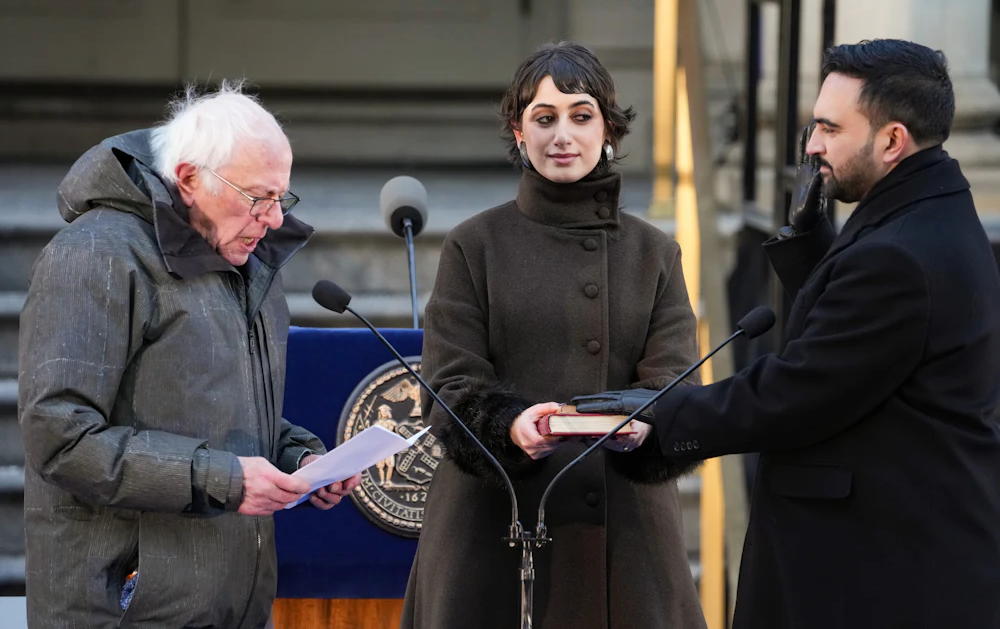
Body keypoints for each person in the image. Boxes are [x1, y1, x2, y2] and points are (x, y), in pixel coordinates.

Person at [576, 39, 1000, 628]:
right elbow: (859, 345)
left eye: (829, 128)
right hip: (890, 559)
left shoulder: (899, 257)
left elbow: (799, 391)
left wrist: (664, 415)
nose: (812, 146)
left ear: (892, 140)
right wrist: (813, 251)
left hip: (879, 578)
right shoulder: (931, 214)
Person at [18, 82, 361, 628]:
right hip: (124, 606)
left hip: (230, 602)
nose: (274, 220)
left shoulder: (247, 261)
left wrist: (301, 459)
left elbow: (221, 411)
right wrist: (223, 479)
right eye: (257, 198)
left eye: (282, 197)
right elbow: (59, 437)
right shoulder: (94, 256)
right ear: (189, 179)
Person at [401, 42, 706, 629]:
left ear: (608, 129)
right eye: (544, 119)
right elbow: (449, 386)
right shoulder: (473, 245)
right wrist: (511, 427)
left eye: (581, 116)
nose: (562, 134)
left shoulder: (655, 253)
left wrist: (644, 422)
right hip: (492, 529)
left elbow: (675, 381)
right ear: (519, 133)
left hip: (625, 536)